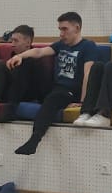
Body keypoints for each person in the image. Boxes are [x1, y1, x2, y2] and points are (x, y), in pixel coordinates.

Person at [11, 13, 97, 154]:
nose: (61, 33)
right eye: (60, 29)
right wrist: (20, 56)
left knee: (53, 98)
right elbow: (39, 52)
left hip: (71, 91)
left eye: (65, 29)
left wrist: (82, 102)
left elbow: (88, 74)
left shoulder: (88, 46)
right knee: (30, 63)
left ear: (77, 28)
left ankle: (34, 139)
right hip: (56, 88)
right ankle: (8, 103)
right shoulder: (61, 44)